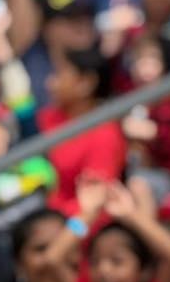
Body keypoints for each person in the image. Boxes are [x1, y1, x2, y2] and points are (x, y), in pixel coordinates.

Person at [37, 48, 127, 216]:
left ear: (86, 83)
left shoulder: (104, 135)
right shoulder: (48, 116)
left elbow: (94, 204)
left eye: (59, 74)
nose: (50, 83)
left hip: (72, 226)